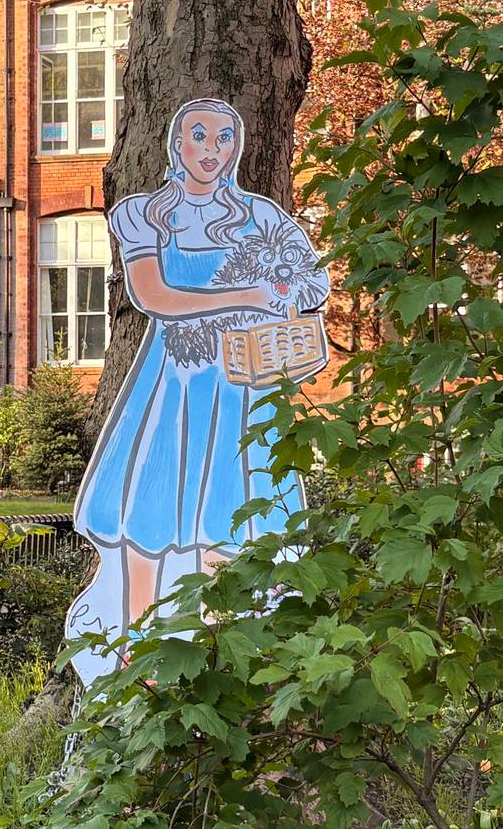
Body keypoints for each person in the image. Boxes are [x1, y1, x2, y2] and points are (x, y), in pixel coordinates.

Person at [66, 98, 330, 685]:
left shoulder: (260, 216)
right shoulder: (146, 215)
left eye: (224, 138)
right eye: (199, 136)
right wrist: (245, 296)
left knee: (223, 507)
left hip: (238, 384)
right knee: (152, 503)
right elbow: (155, 295)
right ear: (176, 145)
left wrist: (279, 286)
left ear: (235, 148)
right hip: (173, 384)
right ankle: (134, 645)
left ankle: (215, 640)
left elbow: (314, 280)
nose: (212, 150)